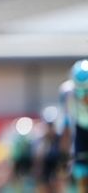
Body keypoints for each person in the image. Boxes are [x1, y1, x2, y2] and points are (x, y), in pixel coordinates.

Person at [59, 59, 88, 193]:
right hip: (81, 131)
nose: (84, 96)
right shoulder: (67, 93)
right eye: (80, 90)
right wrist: (64, 155)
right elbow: (65, 126)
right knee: (81, 170)